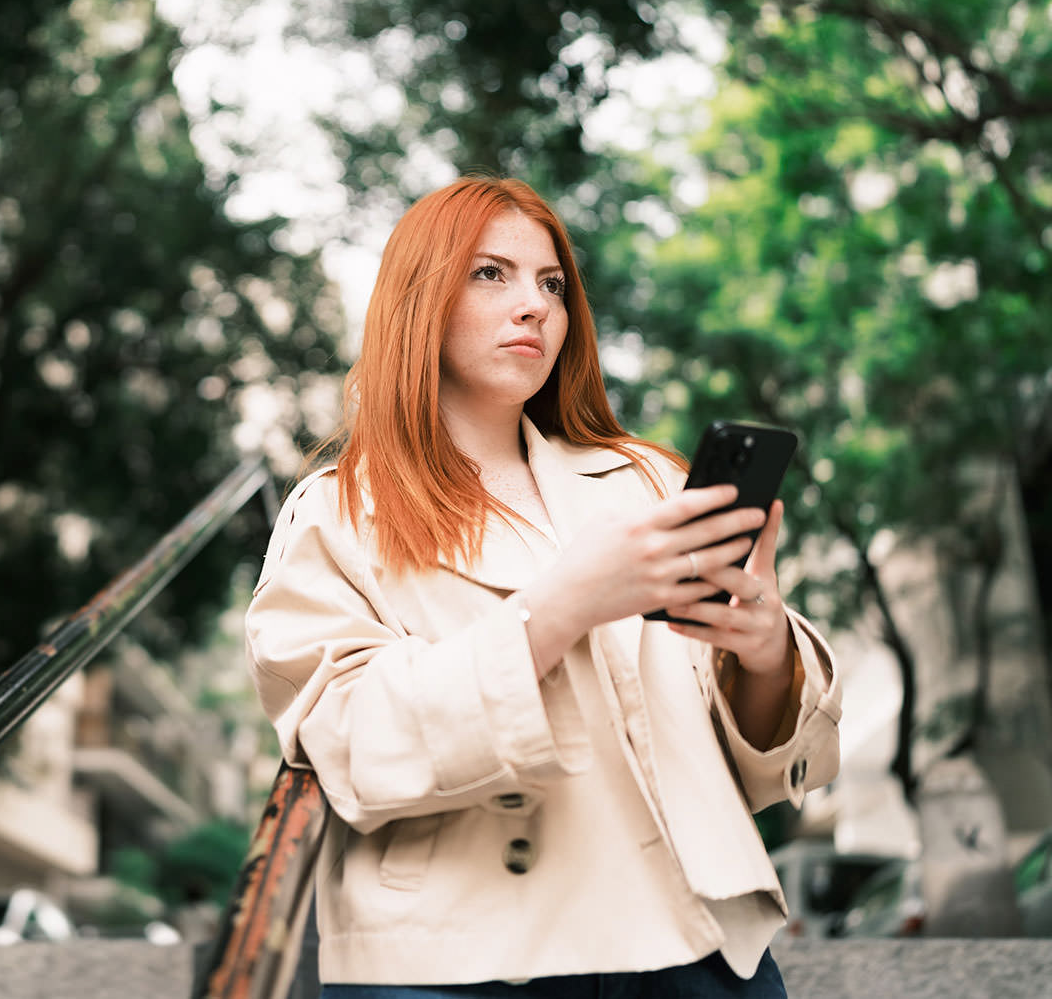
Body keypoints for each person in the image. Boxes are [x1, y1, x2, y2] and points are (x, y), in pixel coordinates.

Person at [244, 175, 841, 997]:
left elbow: (741, 743)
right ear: (420, 299)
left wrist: (766, 647)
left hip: (690, 944)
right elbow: (344, 739)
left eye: (551, 282)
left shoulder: (647, 481)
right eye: (491, 273)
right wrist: (560, 608)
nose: (534, 305)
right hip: (458, 959)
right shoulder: (339, 510)